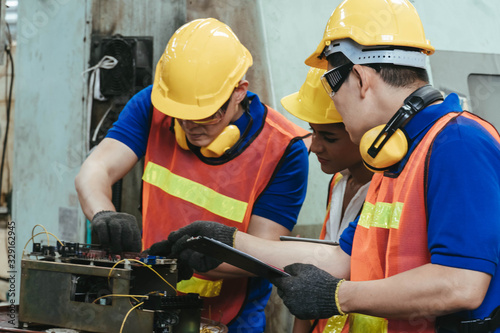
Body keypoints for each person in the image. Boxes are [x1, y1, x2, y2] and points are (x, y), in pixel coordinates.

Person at [151, 1, 500, 332]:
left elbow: (461, 283)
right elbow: (343, 259)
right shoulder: (392, 157)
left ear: (361, 79)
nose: (334, 106)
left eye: (332, 91)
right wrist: (227, 243)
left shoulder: (457, 142)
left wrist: (339, 296)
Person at [75, 18, 311, 332]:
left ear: (239, 91)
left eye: (206, 115)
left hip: (229, 320)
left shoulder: (284, 150)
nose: (190, 126)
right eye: (181, 116)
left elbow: (261, 253)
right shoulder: (154, 105)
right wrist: (103, 213)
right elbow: (95, 169)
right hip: (146, 305)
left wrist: (192, 256)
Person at [281, 67, 372, 333]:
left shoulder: (387, 191)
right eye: (314, 132)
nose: (315, 146)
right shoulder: (337, 184)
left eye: (329, 137)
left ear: (362, 132)